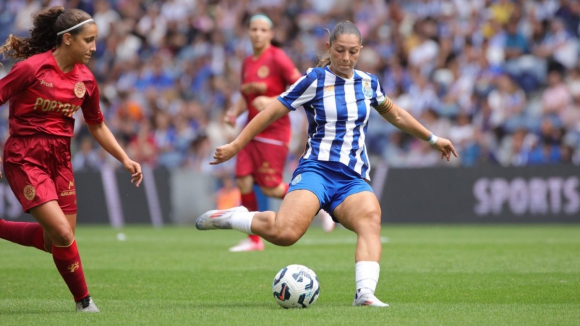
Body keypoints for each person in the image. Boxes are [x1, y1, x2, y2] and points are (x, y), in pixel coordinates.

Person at [196, 21, 457, 306]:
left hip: (352, 178)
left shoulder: (369, 83)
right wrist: (236, 144)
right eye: (340, 50)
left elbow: (396, 115)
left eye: (353, 52)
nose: (346, 58)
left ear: (361, 51)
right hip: (316, 171)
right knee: (286, 234)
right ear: (328, 48)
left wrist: (433, 139)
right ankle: (236, 217)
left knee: (370, 219)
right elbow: (271, 112)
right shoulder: (314, 80)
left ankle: (365, 294)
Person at [0, 7, 143, 312]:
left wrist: (124, 158)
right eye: (88, 41)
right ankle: (85, 302)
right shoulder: (31, 69)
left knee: (57, 242)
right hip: (25, 158)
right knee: (63, 234)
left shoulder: (86, 81)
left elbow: (97, 125)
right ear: (67, 40)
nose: (94, 47)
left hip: (61, 161)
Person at [224, 14, 334, 252]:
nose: (258, 34)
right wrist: (234, 112)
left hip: (274, 131)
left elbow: (301, 87)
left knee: (270, 188)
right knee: (243, 180)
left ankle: (320, 206)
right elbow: (246, 96)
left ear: (271, 34)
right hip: (250, 130)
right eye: (254, 29)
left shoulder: (278, 58)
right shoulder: (247, 62)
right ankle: (254, 240)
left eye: (263, 30)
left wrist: (273, 100)